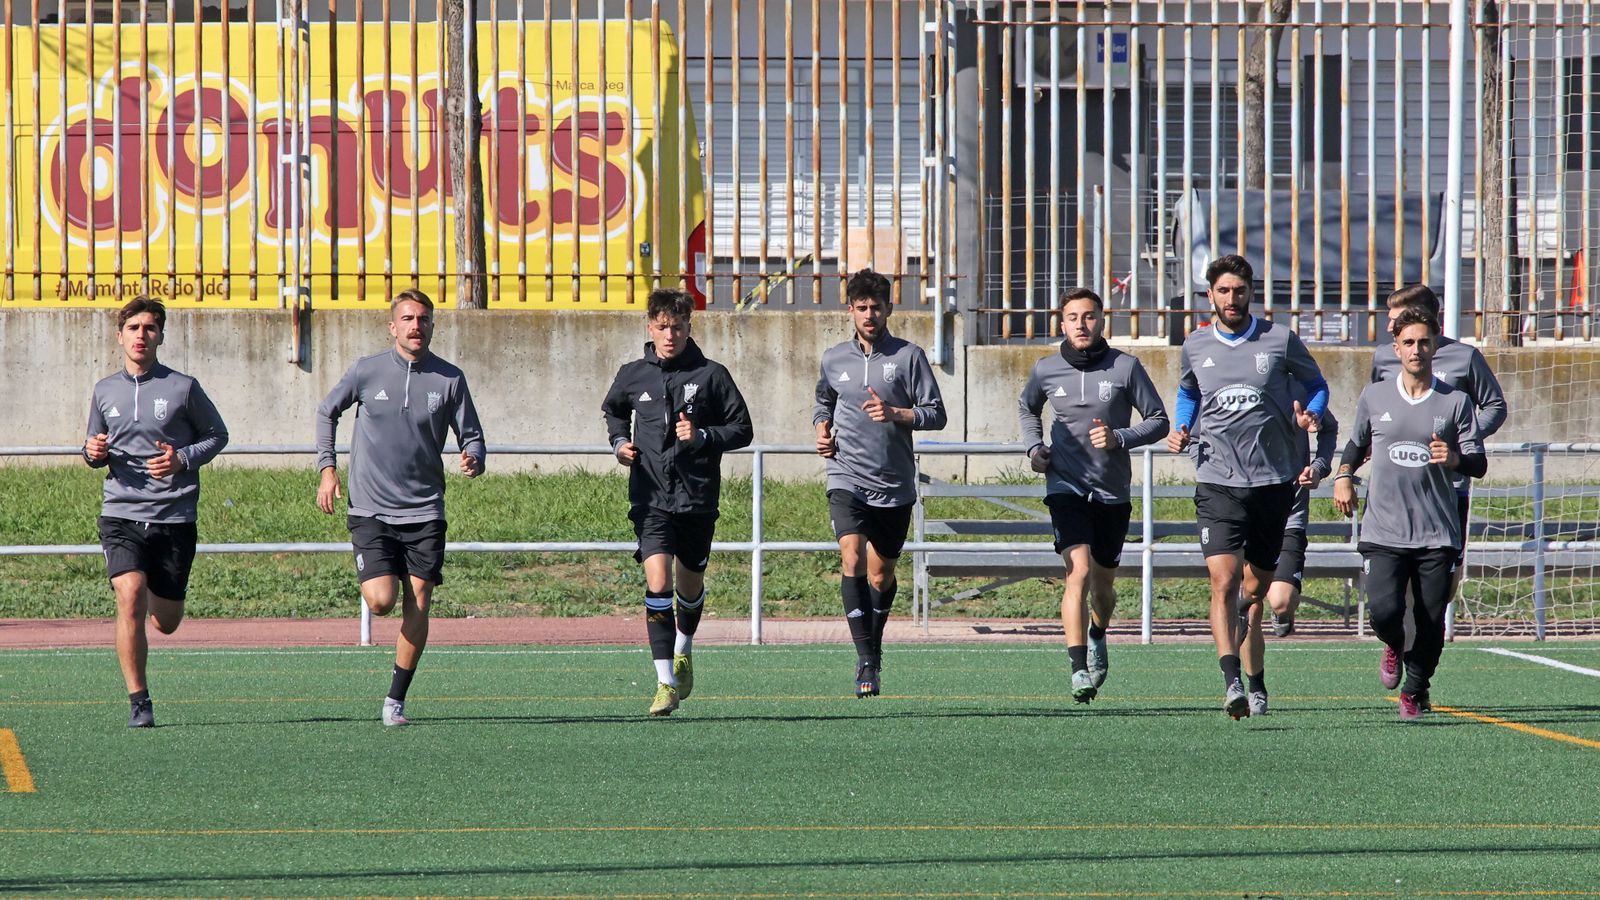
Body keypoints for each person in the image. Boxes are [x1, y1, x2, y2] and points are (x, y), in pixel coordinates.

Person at [1168, 254, 1330, 719]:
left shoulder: (1279, 340)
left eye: (1239, 290)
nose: (1231, 298)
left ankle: (1245, 616)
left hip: (1272, 483)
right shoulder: (1196, 344)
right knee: (1222, 581)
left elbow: (1317, 385)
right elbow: (1188, 391)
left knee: (1254, 587)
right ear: (1210, 295)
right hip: (1217, 481)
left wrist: (1312, 414)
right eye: (1223, 290)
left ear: (1251, 293)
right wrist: (1182, 425)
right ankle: (1231, 681)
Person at [315, 288, 485, 727]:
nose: (416, 326)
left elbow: (472, 436)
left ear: (432, 326)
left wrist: (474, 457)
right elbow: (326, 412)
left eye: (423, 319)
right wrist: (327, 469)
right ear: (393, 326)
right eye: (408, 319)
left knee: (420, 600)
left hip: (425, 510)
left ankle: (395, 700)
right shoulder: (366, 371)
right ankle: (376, 575)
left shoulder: (450, 379)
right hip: (371, 508)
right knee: (380, 602)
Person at [602, 288, 754, 716]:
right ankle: (664, 683)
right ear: (650, 327)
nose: (670, 335)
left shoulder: (712, 375)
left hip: (697, 498)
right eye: (663, 327)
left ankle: (684, 648)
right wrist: (619, 443)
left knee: (690, 586)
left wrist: (703, 436)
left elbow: (742, 429)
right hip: (650, 497)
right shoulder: (633, 374)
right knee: (657, 583)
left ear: (690, 328)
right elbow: (614, 411)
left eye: (679, 327)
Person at [84, 296, 229, 728]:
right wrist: (92, 452)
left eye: (149, 328)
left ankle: (153, 593)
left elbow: (217, 436)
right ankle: (139, 702)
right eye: (133, 328)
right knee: (129, 595)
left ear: (160, 336)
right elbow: (93, 448)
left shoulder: (183, 388)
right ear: (120, 336)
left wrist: (182, 459)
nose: (141, 335)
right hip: (121, 513)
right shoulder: (104, 390)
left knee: (166, 622)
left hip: (173, 518)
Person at [1019, 287, 1169, 703]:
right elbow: (1027, 408)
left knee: (1103, 587)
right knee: (1078, 572)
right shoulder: (1046, 369)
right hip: (1065, 485)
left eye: (1088, 316)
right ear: (1062, 323)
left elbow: (1159, 420)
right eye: (1073, 317)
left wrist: (1120, 437)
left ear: (1102, 320)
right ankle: (1078, 669)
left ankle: (1098, 632)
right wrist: (1034, 448)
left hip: (1111, 492)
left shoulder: (1126, 367)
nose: (1081, 324)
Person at [1335, 307, 1486, 720]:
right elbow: (1356, 444)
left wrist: (1455, 458)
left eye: (1423, 342)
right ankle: (1393, 643)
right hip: (1383, 529)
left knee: (1431, 617)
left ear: (1435, 345)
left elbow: (1478, 463)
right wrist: (1343, 475)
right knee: (1385, 612)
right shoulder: (1375, 396)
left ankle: (1415, 690)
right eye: (1408, 342)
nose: (1416, 349)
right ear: (1396, 348)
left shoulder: (1455, 402)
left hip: (1436, 531)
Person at [814, 269, 948, 697]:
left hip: (893, 483)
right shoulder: (834, 358)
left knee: (880, 573)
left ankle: (874, 643)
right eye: (862, 308)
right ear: (850, 310)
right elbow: (823, 402)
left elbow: (936, 414)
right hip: (846, 474)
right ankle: (866, 659)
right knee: (852, 556)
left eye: (876, 307)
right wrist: (821, 428)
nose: (869, 315)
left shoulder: (909, 357)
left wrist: (897, 414)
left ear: (889, 309)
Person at [1368, 284, 1506, 700]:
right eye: (1393, 324)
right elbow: (1375, 415)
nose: (1391, 328)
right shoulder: (1385, 357)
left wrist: (1461, 443)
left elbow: (1494, 406)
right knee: (1394, 594)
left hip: (1449, 490)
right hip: (1396, 495)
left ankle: (1418, 673)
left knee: (1436, 594)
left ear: (1429, 320)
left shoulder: (1464, 358)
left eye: (1398, 318)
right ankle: (1397, 643)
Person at [1242, 386, 1338, 715]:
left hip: (1287, 516)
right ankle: (1255, 687)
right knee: (1249, 606)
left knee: (1280, 601)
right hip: (1241, 513)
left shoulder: (1297, 389)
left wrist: (1319, 466)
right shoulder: (1232, 387)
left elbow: (1329, 426)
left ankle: (1283, 609)